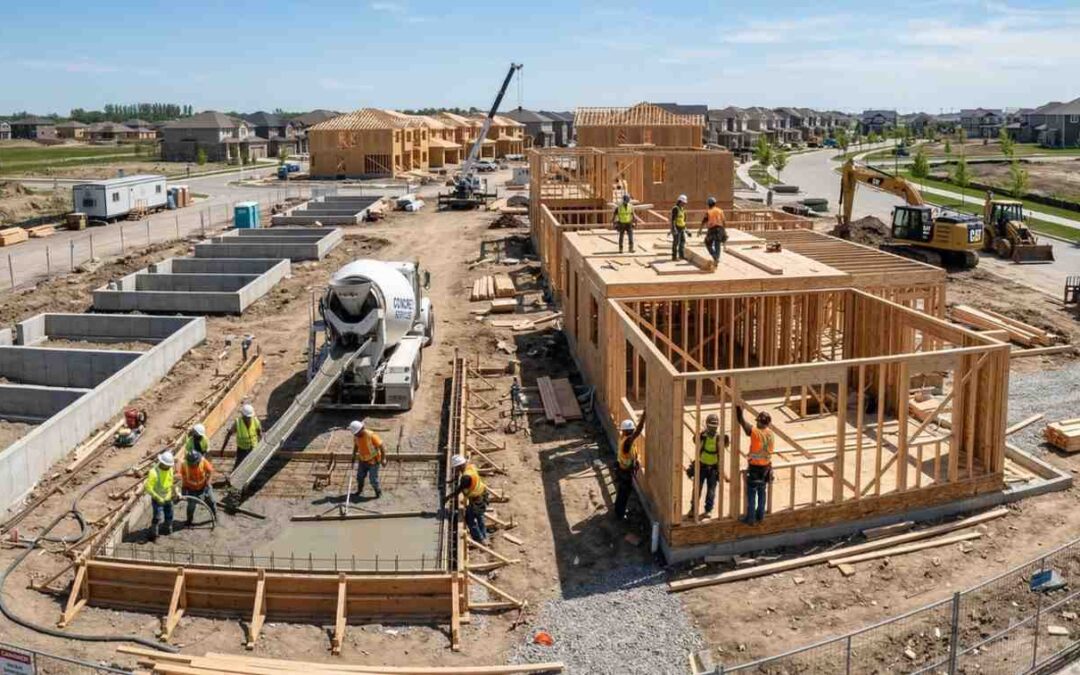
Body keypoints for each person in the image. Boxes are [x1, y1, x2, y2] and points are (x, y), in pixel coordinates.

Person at [737, 407, 774, 525]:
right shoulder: (770, 433)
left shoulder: (755, 432)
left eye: (757, 421)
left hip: (755, 468)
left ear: (759, 422)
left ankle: (751, 519)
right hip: (766, 468)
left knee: (752, 493)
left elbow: (742, 422)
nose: (756, 423)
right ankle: (761, 516)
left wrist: (739, 412)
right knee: (762, 492)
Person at [688, 414, 728, 519]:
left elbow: (724, 448)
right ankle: (693, 509)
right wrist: (701, 433)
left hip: (713, 468)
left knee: (711, 491)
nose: (713, 428)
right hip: (702, 466)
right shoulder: (703, 436)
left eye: (714, 426)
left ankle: (708, 510)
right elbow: (694, 440)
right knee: (697, 489)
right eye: (711, 425)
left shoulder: (718, 437)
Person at [444, 454, 489, 542]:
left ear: (460, 466)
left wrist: (447, 498)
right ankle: (484, 535)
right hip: (482, 493)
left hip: (477, 499)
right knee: (480, 517)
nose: (455, 469)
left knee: (470, 519)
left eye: (456, 467)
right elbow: (460, 475)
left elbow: (458, 491)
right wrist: (452, 480)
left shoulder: (465, 477)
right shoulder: (470, 467)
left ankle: (479, 539)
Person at [613, 410, 646, 520]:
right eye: (631, 431)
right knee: (624, 494)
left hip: (621, 470)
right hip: (625, 473)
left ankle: (618, 510)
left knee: (621, 492)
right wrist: (644, 415)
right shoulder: (627, 443)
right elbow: (638, 431)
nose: (633, 432)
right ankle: (620, 515)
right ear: (628, 431)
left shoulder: (622, 439)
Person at [144, 451, 176, 542]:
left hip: (168, 497)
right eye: (168, 465)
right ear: (162, 463)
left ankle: (168, 529)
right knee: (157, 517)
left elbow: (171, 482)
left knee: (169, 514)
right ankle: (154, 535)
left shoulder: (169, 469)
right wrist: (158, 498)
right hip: (158, 499)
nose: (170, 467)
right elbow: (148, 488)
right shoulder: (153, 472)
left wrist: (175, 491)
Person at [179, 448, 216, 527]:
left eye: (195, 463)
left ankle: (215, 517)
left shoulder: (203, 462)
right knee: (191, 506)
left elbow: (210, 471)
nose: (193, 465)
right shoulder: (184, 465)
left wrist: (208, 483)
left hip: (204, 487)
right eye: (192, 464)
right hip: (191, 489)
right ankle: (189, 521)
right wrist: (183, 489)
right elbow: (184, 478)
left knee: (212, 501)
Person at [349, 420, 386, 498]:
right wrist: (353, 455)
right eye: (355, 434)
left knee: (373, 479)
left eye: (357, 433)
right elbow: (356, 446)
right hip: (362, 460)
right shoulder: (356, 436)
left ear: (361, 429)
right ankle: (359, 490)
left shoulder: (371, 435)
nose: (356, 435)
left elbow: (381, 447)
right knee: (360, 476)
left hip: (373, 461)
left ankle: (378, 492)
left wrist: (383, 459)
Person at [697, 196, 727, 265]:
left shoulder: (708, 212)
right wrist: (724, 231)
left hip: (712, 230)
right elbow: (724, 221)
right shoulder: (720, 210)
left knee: (707, 243)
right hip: (720, 229)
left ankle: (715, 257)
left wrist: (700, 231)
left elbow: (703, 222)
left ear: (708, 204)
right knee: (717, 244)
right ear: (715, 203)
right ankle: (717, 259)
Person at [670, 194, 688, 262]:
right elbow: (673, 219)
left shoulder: (682, 209)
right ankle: (674, 257)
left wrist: (686, 230)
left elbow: (683, 220)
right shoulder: (675, 208)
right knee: (676, 242)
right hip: (676, 228)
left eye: (685, 203)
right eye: (683, 203)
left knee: (683, 241)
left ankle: (681, 255)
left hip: (682, 228)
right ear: (680, 201)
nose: (684, 204)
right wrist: (673, 228)